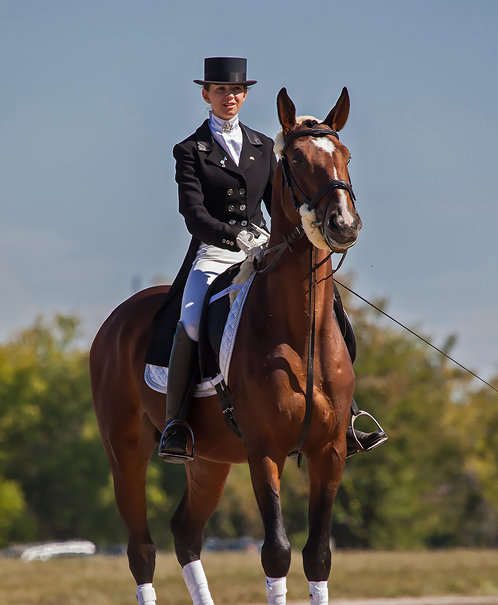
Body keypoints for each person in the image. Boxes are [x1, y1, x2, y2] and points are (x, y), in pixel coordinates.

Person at [152, 57, 387, 463]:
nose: (230, 97)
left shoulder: (265, 146)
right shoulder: (190, 150)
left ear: (245, 95)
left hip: (262, 247)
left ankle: (346, 416)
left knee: (332, 309)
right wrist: (233, 235)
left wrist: (298, 233)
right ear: (206, 95)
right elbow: (193, 215)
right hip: (213, 252)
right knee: (189, 321)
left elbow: (279, 202)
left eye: (236, 90)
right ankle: (177, 424)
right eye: (221, 90)